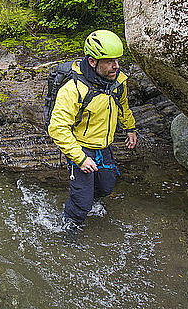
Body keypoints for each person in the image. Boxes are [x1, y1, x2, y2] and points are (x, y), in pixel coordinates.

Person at [47, 29, 137, 232]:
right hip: (80, 149)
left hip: (104, 147)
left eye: (117, 60)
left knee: (106, 187)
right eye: (109, 61)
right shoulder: (73, 89)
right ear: (92, 62)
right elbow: (58, 127)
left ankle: (89, 198)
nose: (116, 66)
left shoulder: (118, 83)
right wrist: (79, 158)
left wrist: (130, 128)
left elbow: (123, 107)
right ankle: (67, 234)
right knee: (81, 202)